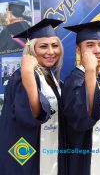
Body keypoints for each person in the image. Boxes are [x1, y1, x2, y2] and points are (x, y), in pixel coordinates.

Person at [0, 18, 66, 175]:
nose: (51, 51)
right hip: (28, 151)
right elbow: (31, 115)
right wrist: (28, 74)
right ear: (31, 49)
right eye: (43, 46)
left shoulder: (51, 77)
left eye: (55, 45)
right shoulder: (23, 77)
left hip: (48, 148)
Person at [62, 21, 100, 175]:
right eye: (90, 45)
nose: (97, 50)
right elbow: (79, 120)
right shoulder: (75, 80)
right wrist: (89, 71)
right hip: (85, 152)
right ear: (78, 50)